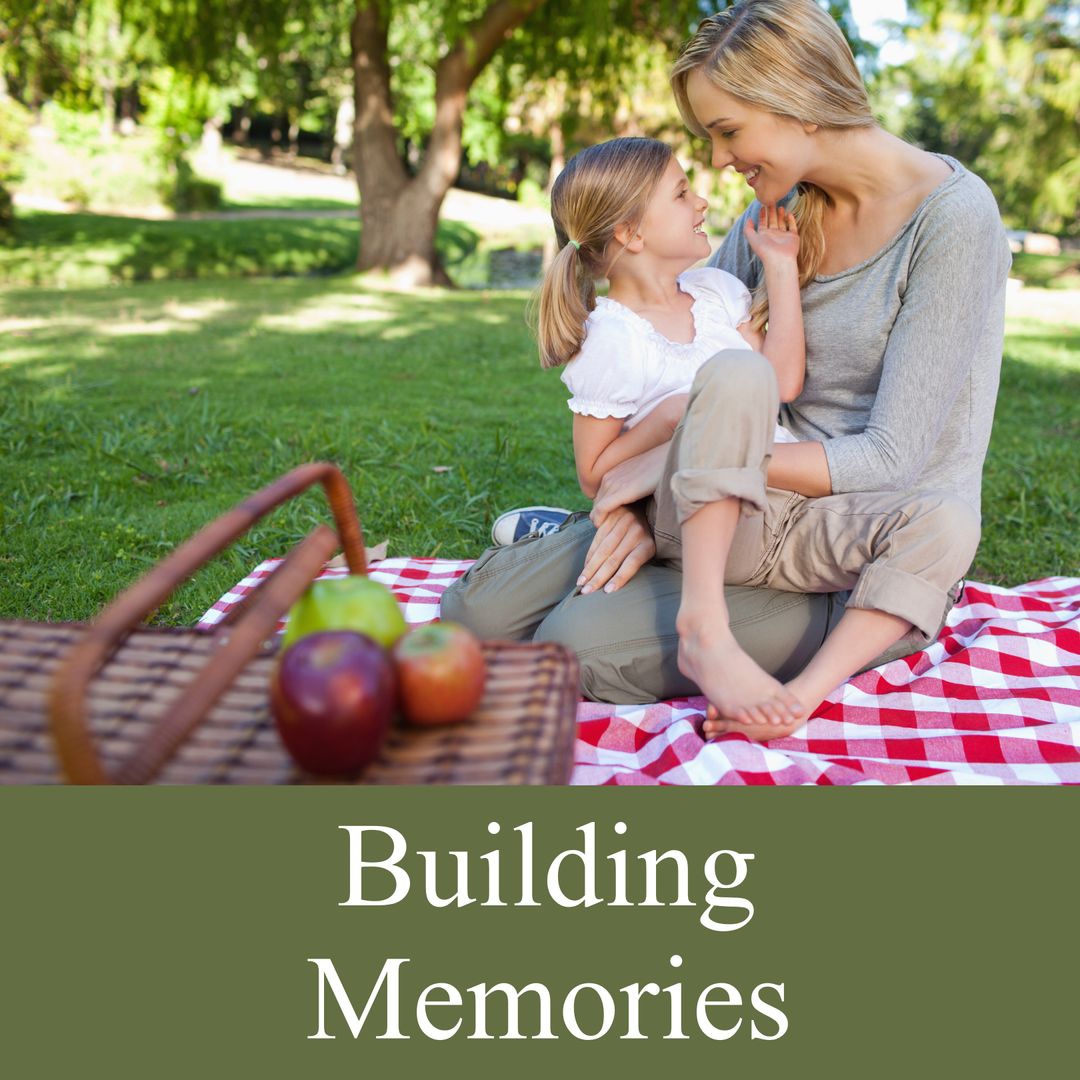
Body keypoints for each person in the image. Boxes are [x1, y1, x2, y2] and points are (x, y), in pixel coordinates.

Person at [441, 0, 1011, 742]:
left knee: (577, 651)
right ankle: (643, 558)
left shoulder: (953, 219)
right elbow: (694, 349)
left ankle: (640, 567)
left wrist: (678, 473)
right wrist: (678, 489)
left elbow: (890, 457)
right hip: (737, 513)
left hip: (852, 536)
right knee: (473, 616)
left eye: (728, 131)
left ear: (800, 103)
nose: (716, 162)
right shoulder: (775, 212)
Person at [535, 136, 803, 506]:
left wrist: (782, 268)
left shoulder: (717, 293)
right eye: (681, 195)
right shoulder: (614, 339)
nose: (701, 202)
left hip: (785, 480)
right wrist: (670, 416)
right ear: (631, 233)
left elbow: (783, 386)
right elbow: (593, 478)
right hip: (706, 509)